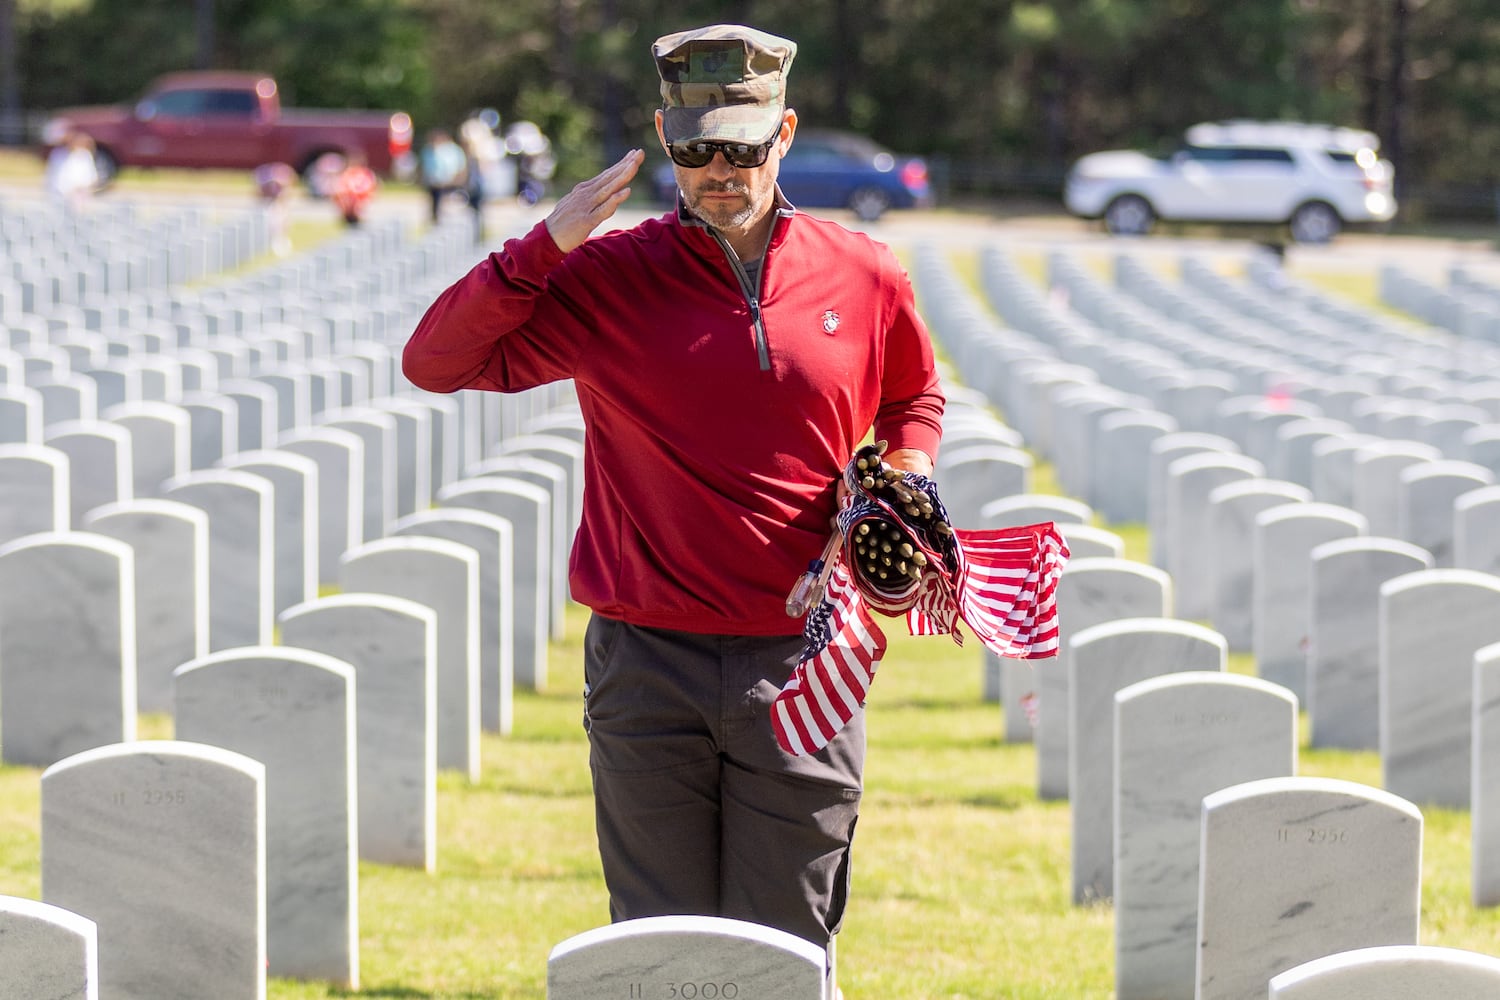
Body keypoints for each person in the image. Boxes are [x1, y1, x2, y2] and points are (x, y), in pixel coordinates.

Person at [402, 22, 943, 976]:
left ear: (783, 134)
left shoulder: (864, 272)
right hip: (647, 661)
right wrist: (544, 245)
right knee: (659, 954)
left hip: (803, 655)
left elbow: (913, 397)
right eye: (695, 152)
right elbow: (435, 362)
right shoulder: (608, 278)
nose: (717, 172)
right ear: (663, 137)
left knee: (787, 946)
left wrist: (907, 470)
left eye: (740, 148)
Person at [418, 128, 468, 224]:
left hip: (451, 182)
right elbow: (424, 166)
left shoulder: (452, 150)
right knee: (435, 202)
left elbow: (460, 166)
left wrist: (458, 179)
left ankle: (451, 221)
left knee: (452, 202)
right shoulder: (428, 150)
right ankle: (436, 220)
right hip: (434, 182)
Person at [44, 131, 99, 211]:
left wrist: (84, 186)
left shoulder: (84, 155)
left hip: (80, 194)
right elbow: (54, 176)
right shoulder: (58, 154)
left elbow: (90, 176)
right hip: (61, 194)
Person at [253, 161, 298, 256]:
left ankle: (279, 241)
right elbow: (259, 194)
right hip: (269, 206)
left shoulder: (284, 176)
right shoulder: (263, 174)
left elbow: (286, 194)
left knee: (281, 221)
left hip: (278, 207)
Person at [330, 151, 377, 226]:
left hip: (357, 196)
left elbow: (368, 187)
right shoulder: (349, 173)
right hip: (353, 196)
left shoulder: (364, 173)